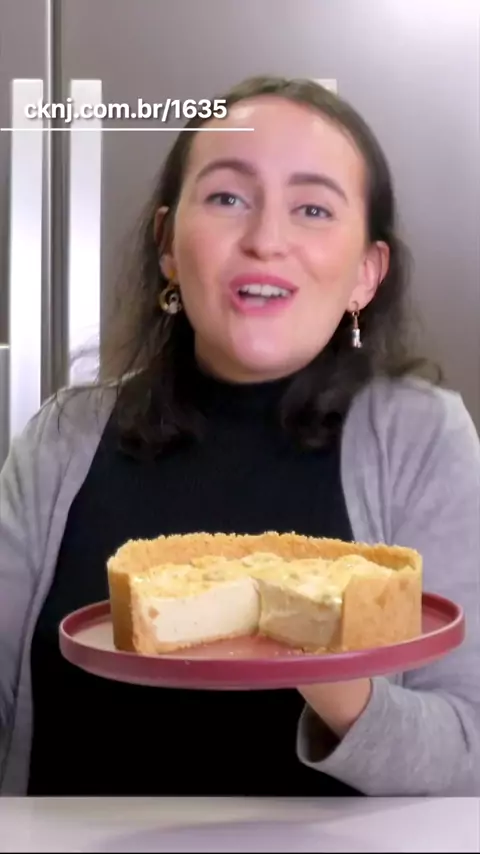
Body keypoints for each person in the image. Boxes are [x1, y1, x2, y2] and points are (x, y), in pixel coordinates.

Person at [0, 75, 479, 798]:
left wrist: (334, 672)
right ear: (168, 245)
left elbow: (470, 751)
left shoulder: (421, 439)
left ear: (366, 274)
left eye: (312, 209)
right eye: (228, 198)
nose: (265, 241)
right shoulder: (62, 439)